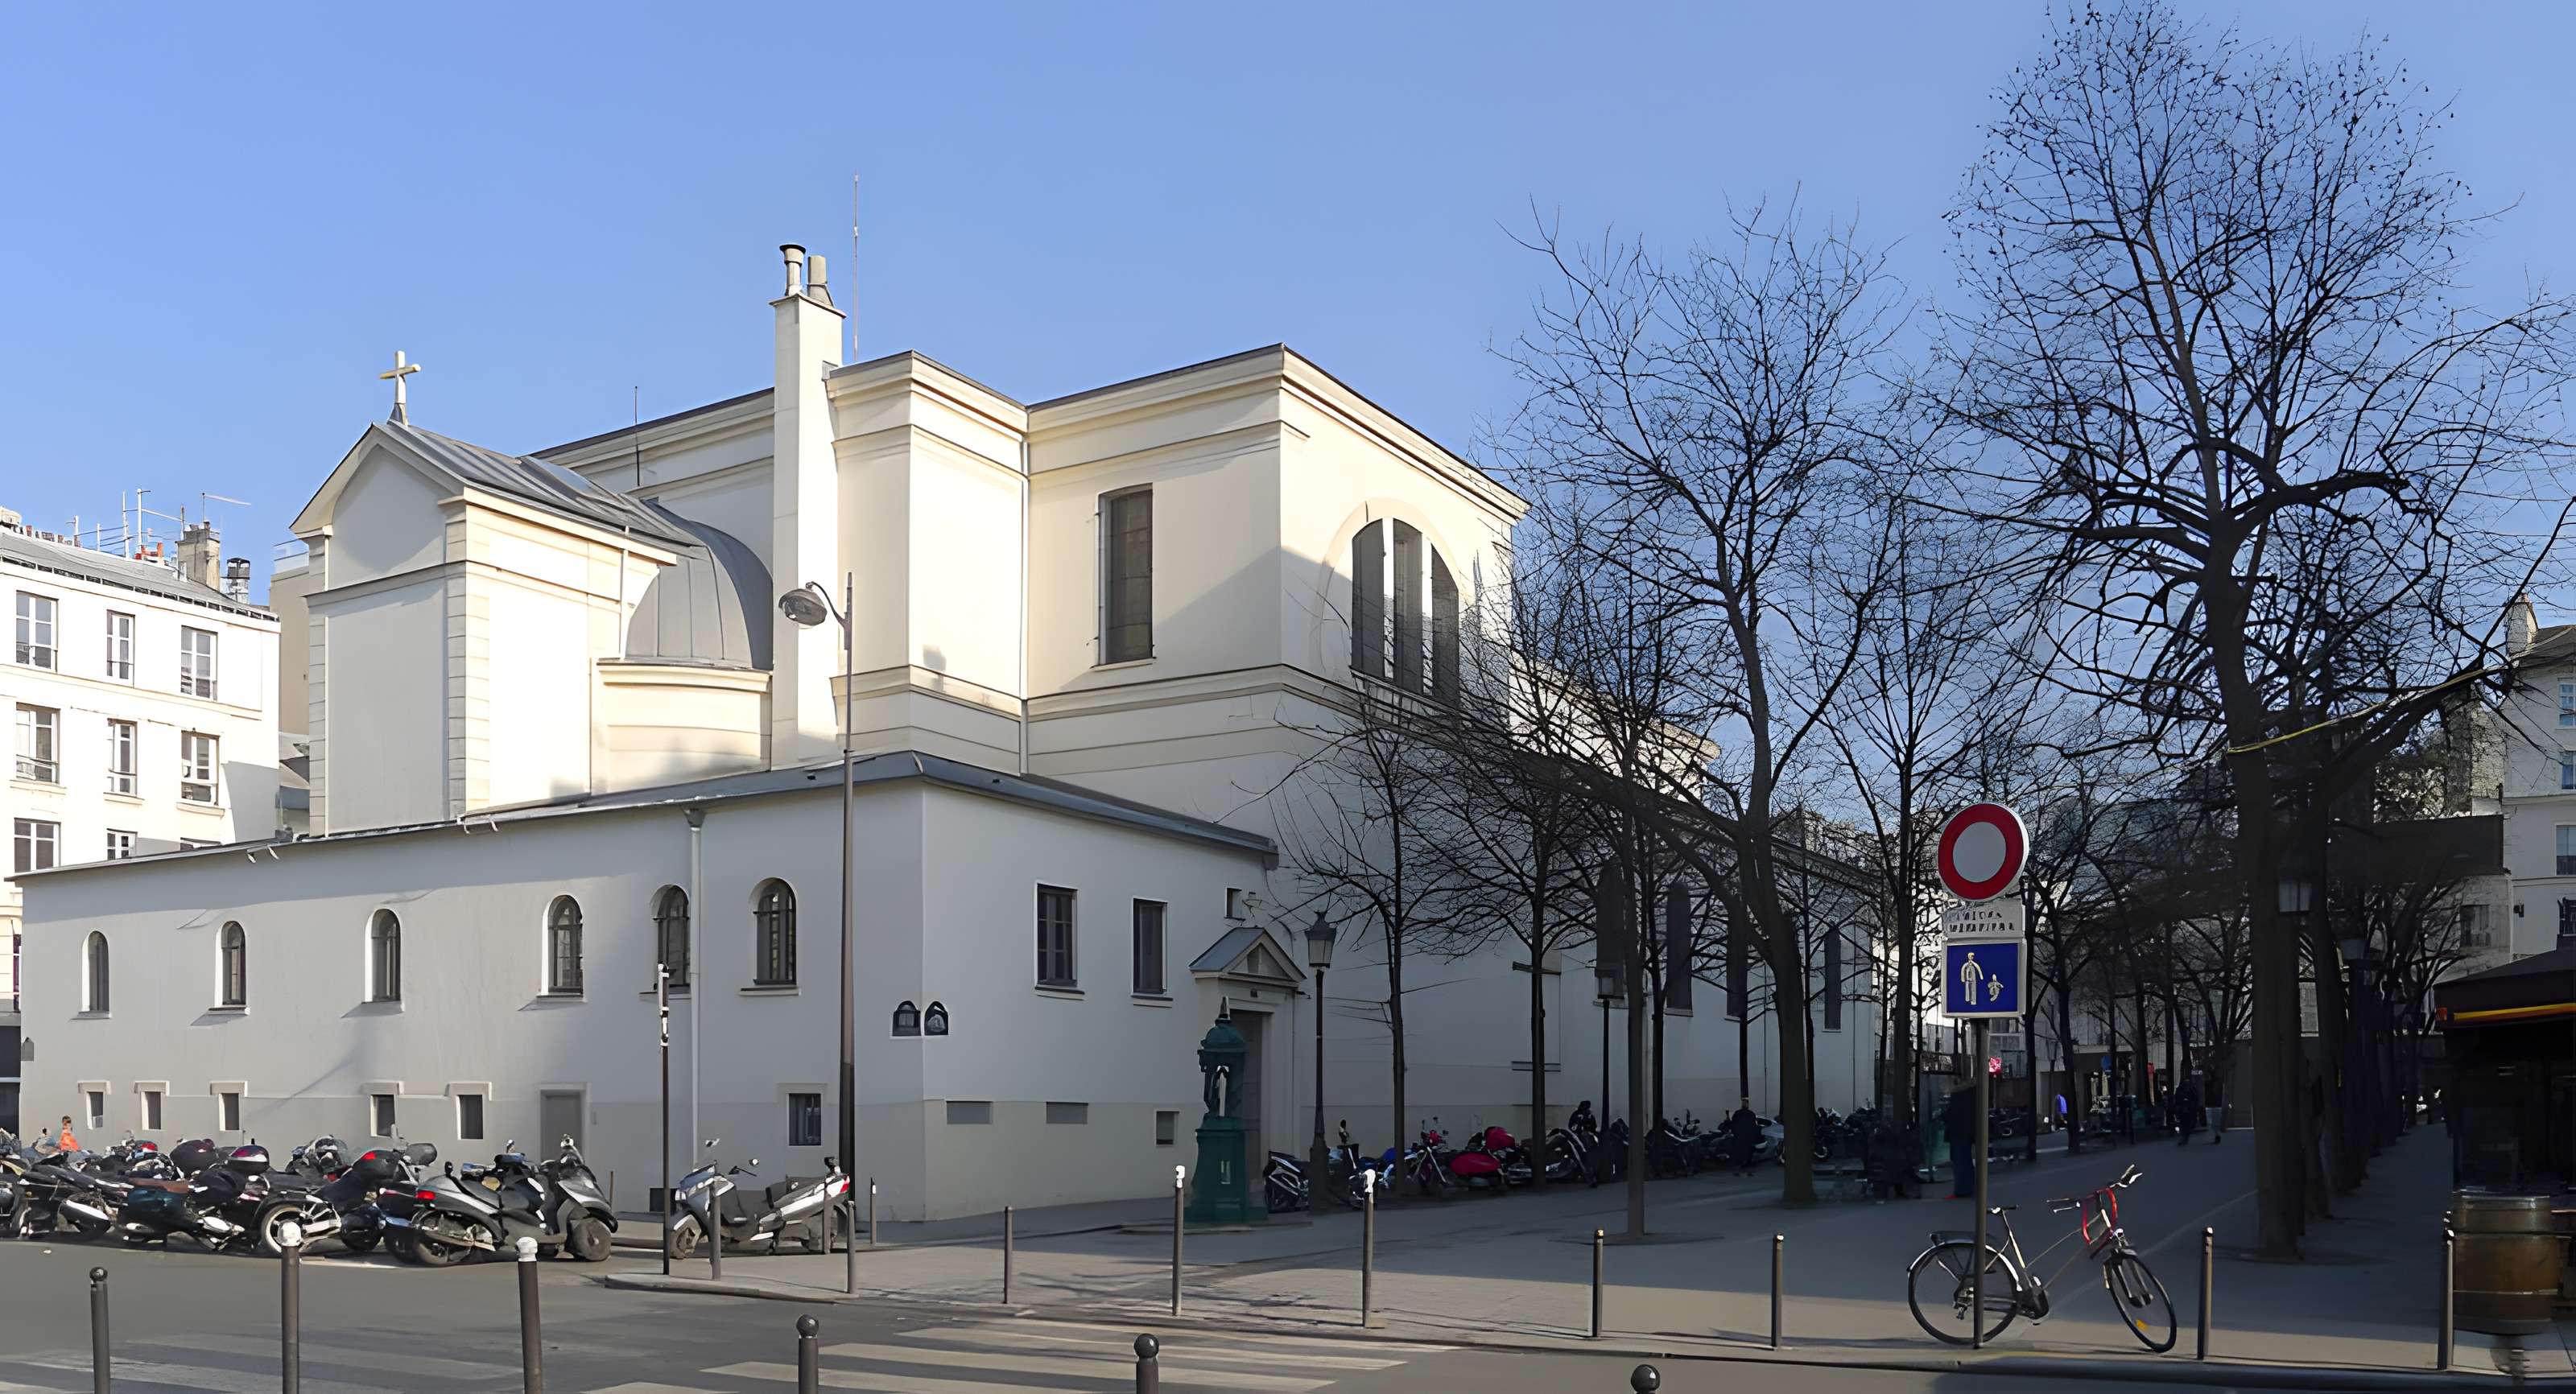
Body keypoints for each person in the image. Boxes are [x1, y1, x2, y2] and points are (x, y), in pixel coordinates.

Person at [1942, 1083, 1978, 1200]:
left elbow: (1950, 1116)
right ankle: (1967, 1188)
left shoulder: (1958, 1100)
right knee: (1965, 1160)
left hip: (1958, 1134)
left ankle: (1962, 1190)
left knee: (1960, 1161)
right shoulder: (1970, 1100)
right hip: (1965, 1134)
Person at [2174, 1077, 2202, 1146]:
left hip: (2189, 1110)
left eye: (2188, 1083)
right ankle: (2182, 1138)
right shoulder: (2179, 1090)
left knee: (2188, 1125)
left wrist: (2194, 1107)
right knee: (2182, 1125)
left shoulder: (2192, 1090)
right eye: (2185, 1083)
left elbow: (2196, 1099)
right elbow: (2177, 1100)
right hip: (2182, 1110)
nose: (2186, 1084)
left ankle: (2185, 1138)